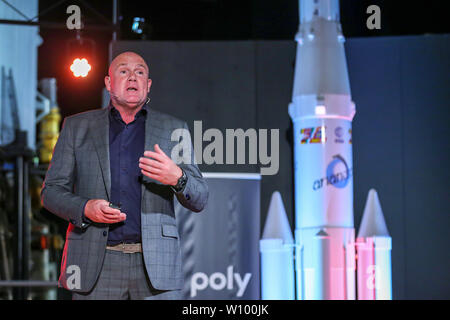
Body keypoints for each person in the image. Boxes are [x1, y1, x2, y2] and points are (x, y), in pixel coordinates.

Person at [41, 51, 208, 300]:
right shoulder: (77, 127)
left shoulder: (174, 129)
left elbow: (200, 197)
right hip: (95, 263)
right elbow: (50, 192)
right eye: (124, 71)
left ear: (148, 85)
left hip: (155, 267)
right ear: (109, 83)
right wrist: (85, 207)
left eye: (140, 72)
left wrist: (178, 177)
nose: (133, 77)